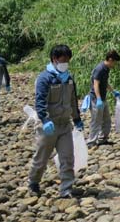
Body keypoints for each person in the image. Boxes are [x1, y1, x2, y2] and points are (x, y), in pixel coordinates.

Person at [28, 44, 84, 198]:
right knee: (41, 158)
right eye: (62, 60)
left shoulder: (69, 79)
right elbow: (40, 102)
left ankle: (66, 189)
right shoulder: (45, 78)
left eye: (67, 60)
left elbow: (72, 101)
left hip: (65, 124)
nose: (65, 63)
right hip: (48, 126)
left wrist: (77, 119)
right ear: (54, 59)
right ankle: (33, 181)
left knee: (67, 158)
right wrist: (45, 120)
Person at [87, 50, 120, 146]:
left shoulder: (106, 69)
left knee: (107, 120)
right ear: (110, 60)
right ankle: (91, 142)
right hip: (96, 99)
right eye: (114, 62)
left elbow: (105, 83)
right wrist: (98, 98)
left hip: (103, 98)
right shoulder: (100, 69)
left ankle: (102, 139)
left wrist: (113, 91)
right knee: (96, 121)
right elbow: (96, 84)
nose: (114, 65)